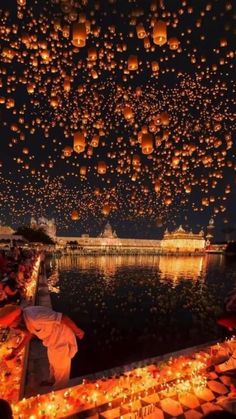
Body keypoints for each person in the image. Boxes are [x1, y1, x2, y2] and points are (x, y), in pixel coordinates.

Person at [0, 304, 85, 389]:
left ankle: (59, 390)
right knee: (52, 362)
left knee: (61, 371)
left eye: (10, 325)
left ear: (16, 320)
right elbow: (29, 333)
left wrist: (77, 331)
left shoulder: (35, 317)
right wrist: (17, 350)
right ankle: (51, 380)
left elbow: (63, 317)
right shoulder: (25, 316)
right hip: (51, 341)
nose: (12, 328)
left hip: (61, 340)